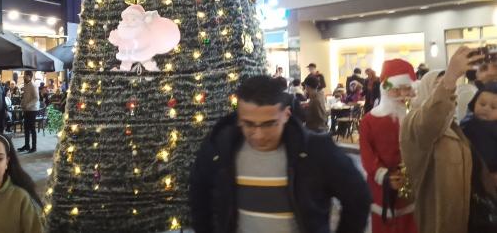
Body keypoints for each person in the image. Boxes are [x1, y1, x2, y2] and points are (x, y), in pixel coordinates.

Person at [189, 75, 370, 233]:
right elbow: (199, 196)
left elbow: (358, 196)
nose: (258, 135)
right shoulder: (220, 147)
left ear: (286, 114)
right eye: (248, 124)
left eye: (269, 124)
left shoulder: (315, 150)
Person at [400, 47, 484, 233]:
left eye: (451, 92)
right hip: (434, 223)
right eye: (439, 88)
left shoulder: (453, 127)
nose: (449, 96)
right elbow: (430, 119)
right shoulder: (413, 123)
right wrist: (450, 77)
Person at [359, 59, 418, 233]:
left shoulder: (416, 117)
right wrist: (384, 176)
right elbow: (367, 155)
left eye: (406, 88)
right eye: (395, 89)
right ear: (385, 90)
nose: (401, 94)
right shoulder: (369, 121)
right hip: (381, 188)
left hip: (413, 187)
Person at [461, 82, 497, 187]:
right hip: (468, 171)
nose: (486, 109)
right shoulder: (467, 122)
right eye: (482, 104)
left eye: (494, 107)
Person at [18, 71, 39, 154]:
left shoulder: (33, 85)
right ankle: (27, 145)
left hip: (32, 110)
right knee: (26, 128)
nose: (23, 77)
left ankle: (34, 147)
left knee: (32, 128)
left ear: (29, 76)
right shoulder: (26, 85)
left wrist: (28, 105)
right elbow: (25, 97)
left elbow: (36, 98)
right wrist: (22, 104)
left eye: (25, 76)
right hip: (27, 109)